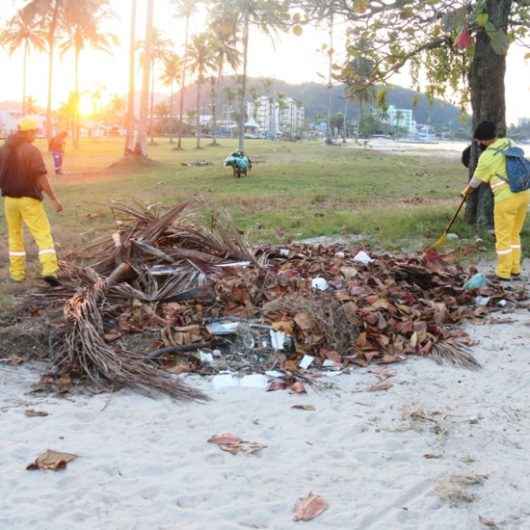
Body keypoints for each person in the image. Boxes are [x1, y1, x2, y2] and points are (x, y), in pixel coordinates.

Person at [0, 116, 64, 286]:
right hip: (28, 199)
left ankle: (17, 273)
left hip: (9, 201)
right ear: (28, 132)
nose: (36, 135)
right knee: (42, 234)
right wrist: (54, 199)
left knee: (14, 235)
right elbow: (41, 178)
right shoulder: (31, 150)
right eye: (35, 131)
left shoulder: (4, 149)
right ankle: (49, 270)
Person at [463, 121, 530, 281]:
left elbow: (476, 180)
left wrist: (466, 192)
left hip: (506, 199)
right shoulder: (509, 142)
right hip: (525, 194)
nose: (478, 143)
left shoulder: (486, 156)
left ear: (484, 140)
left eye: (478, 140)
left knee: (503, 236)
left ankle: (503, 272)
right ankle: (515, 269)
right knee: (514, 234)